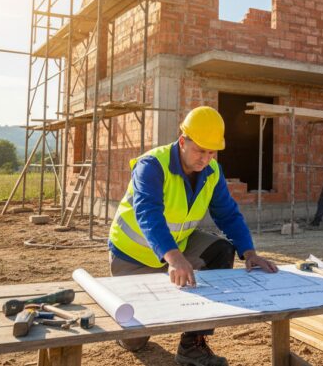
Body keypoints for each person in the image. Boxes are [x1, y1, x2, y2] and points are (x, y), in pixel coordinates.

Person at [108, 106, 278, 366]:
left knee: (222, 249)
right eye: (200, 150)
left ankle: (192, 345)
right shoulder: (152, 165)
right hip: (131, 255)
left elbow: (228, 215)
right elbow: (148, 214)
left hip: (175, 248)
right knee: (136, 336)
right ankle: (129, 336)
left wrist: (249, 253)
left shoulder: (212, 172)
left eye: (212, 152)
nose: (205, 159)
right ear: (182, 141)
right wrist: (174, 257)